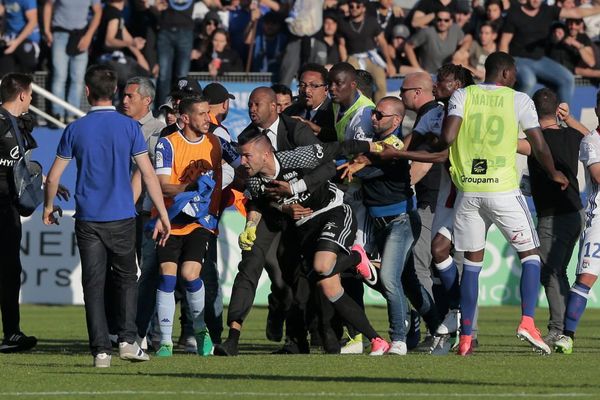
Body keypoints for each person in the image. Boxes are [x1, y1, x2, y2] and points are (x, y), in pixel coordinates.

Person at [436, 51, 569, 356]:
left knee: (472, 264)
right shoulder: (519, 99)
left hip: (468, 190)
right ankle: (527, 322)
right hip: (503, 189)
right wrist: (553, 172)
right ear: (507, 74)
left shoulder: (462, 95)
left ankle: (467, 337)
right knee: (530, 256)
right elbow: (538, 143)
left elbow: (447, 136)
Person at [43, 65, 171, 368]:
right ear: (113, 91)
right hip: (123, 216)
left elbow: (53, 177)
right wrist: (163, 214)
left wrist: (49, 207)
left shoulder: (75, 128)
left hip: (88, 219)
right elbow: (148, 174)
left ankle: (100, 351)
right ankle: (128, 341)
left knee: (94, 283)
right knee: (127, 279)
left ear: (87, 92)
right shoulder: (129, 127)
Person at [237, 130, 392, 355]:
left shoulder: (296, 157)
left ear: (265, 154)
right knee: (328, 285)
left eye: (247, 156)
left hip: (333, 211)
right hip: (305, 228)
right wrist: (258, 222)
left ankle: (357, 256)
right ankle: (377, 340)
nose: (242, 162)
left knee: (321, 267)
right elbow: (261, 201)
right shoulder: (253, 179)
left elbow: (338, 151)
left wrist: (374, 147)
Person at [214, 87, 334, 356]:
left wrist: (296, 191)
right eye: (250, 105)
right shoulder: (247, 137)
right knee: (249, 264)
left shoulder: (295, 131)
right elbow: (252, 186)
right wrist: (275, 206)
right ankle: (232, 335)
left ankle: (298, 337)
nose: (252, 109)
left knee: (292, 276)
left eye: (257, 104)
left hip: (304, 212)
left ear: (275, 107)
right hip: (267, 211)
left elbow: (327, 166)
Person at [152, 94, 240, 358]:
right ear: (185, 118)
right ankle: (165, 341)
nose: (207, 118)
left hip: (201, 221)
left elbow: (242, 166)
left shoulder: (217, 142)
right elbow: (163, 184)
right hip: (169, 218)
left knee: (190, 274)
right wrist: (191, 186)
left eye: (208, 113)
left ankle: (200, 329)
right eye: (201, 114)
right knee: (167, 277)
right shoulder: (167, 144)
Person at [0, 73, 66, 353]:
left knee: (10, 270)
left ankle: (12, 333)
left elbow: (18, 169)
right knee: (7, 269)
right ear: (23, 95)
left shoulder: (18, 124)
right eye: (30, 93)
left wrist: (47, 183)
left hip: (9, 206)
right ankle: (12, 333)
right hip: (1, 203)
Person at [518, 88, 588, 347]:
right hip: (575, 212)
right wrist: (569, 119)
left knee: (549, 273)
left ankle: (558, 330)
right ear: (558, 108)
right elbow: (592, 137)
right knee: (559, 272)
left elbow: (512, 144)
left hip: (553, 217)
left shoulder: (536, 141)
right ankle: (567, 329)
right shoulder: (573, 135)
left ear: (534, 112)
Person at [553, 90, 600, 355]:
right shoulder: (591, 141)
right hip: (599, 221)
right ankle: (567, 335)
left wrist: (570, 119)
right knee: (585, 278)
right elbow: (598, 174)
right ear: (597, 110)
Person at [124, 77, 167, 350]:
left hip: (147, 212)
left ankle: (145, 333)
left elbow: (150, 173)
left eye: (130, 96)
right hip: (123, 211)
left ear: (147, 100)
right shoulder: (120, 127)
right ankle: (126, 331)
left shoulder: (159, 131)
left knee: (149, 272)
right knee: (125, 273)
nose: (124, 101)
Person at [499, 0, 600, 103]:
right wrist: (505, 68)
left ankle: (563, 117)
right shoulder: (515, 13)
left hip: (540, 59)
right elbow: (504, 43)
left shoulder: (547, 10)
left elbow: (576, 13)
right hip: (517, 59)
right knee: (529, 81)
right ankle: (514, 113)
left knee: (568, 79)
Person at [43, 0, 102, 123]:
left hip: (81, 37)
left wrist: (89, 36)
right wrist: (47, 30)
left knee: (78, 78)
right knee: (60, 76)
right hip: (60, 34)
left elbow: (98, 11)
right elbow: (48, 5)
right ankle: (57, 114)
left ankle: (72, 114)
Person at [339, 0, 396, 102]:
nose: (354, 8)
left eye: (358, 6)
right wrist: (344, 64)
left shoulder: (372, 21)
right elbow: (342, 45)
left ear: (363, 8)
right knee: (353, 84)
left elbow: (382, 42)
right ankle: (359, 108)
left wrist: (389, 63)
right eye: (351, 6)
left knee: (381, 84)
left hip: (371, 56)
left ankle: (379, 110)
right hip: (353, 57)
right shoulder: (343, 23)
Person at [93, 0, 150, 88]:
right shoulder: (113, 13)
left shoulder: (115, 13)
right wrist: (131, 43)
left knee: (144, 74)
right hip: (107, 59)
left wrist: (140, 56)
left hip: (115, 59)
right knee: (139, 81)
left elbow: (126, 36)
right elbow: (109, 41)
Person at [153, 0, 195, 106]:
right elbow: (155, 4)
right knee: (163, 75)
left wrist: (224, 5)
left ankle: (179, 108)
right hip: (165, 30)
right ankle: (164, 108)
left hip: (186, 31)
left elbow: (211, 3)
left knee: (182, 75)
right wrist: (156, 6)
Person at [405, 8, 469, 74]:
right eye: (439, 20)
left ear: (451, 21)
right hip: (430, 75)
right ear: (435, 20)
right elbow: (408, 46)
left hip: (449, 75)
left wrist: (461, 51)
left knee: (465, 55)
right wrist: (418, 69)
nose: (442, 23)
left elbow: (467, 40)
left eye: (446, 20)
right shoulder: (427, 32)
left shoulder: (456, 30)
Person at [285, 63, 336, 143]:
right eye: (302, 85)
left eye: (313, 86)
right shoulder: (290, 112)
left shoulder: (335, 113)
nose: (306, 90)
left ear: (326, 89)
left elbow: (338, 139)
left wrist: (317, 129)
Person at [0, 0, 40, 76]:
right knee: (5, 74)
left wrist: (16, 42)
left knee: (25, 73)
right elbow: (4, 16)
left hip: (27, 39)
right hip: (9, 39)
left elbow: (33, 22)